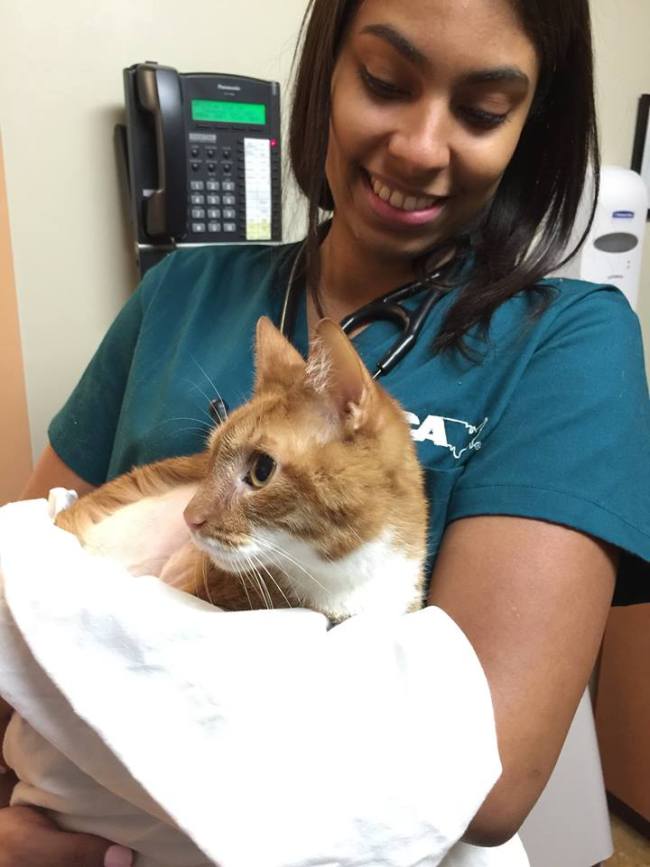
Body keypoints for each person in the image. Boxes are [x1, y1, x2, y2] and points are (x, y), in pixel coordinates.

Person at [2, 0, 650, 864]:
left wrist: (130, 658)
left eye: (481, 111)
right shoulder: (178, 293)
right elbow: (22, 602)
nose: (420, 147)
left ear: (532, 126)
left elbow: (472, 771)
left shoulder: (568, 341)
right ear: (327, 74)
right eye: (385, 82)